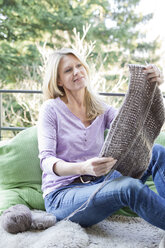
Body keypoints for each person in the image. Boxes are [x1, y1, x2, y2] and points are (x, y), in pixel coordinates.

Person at [37, 47, 165, 230]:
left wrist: (153, 84)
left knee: (157, 152)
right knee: (129, 187)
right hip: (62, 196)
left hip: (99, 183)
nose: (77, 72)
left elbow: (132, 123)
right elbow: (46, 161)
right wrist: (84, 167)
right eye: (68, 70)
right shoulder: (51, 109)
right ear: (58, 80)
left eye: (79, 66)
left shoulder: (99, 107)